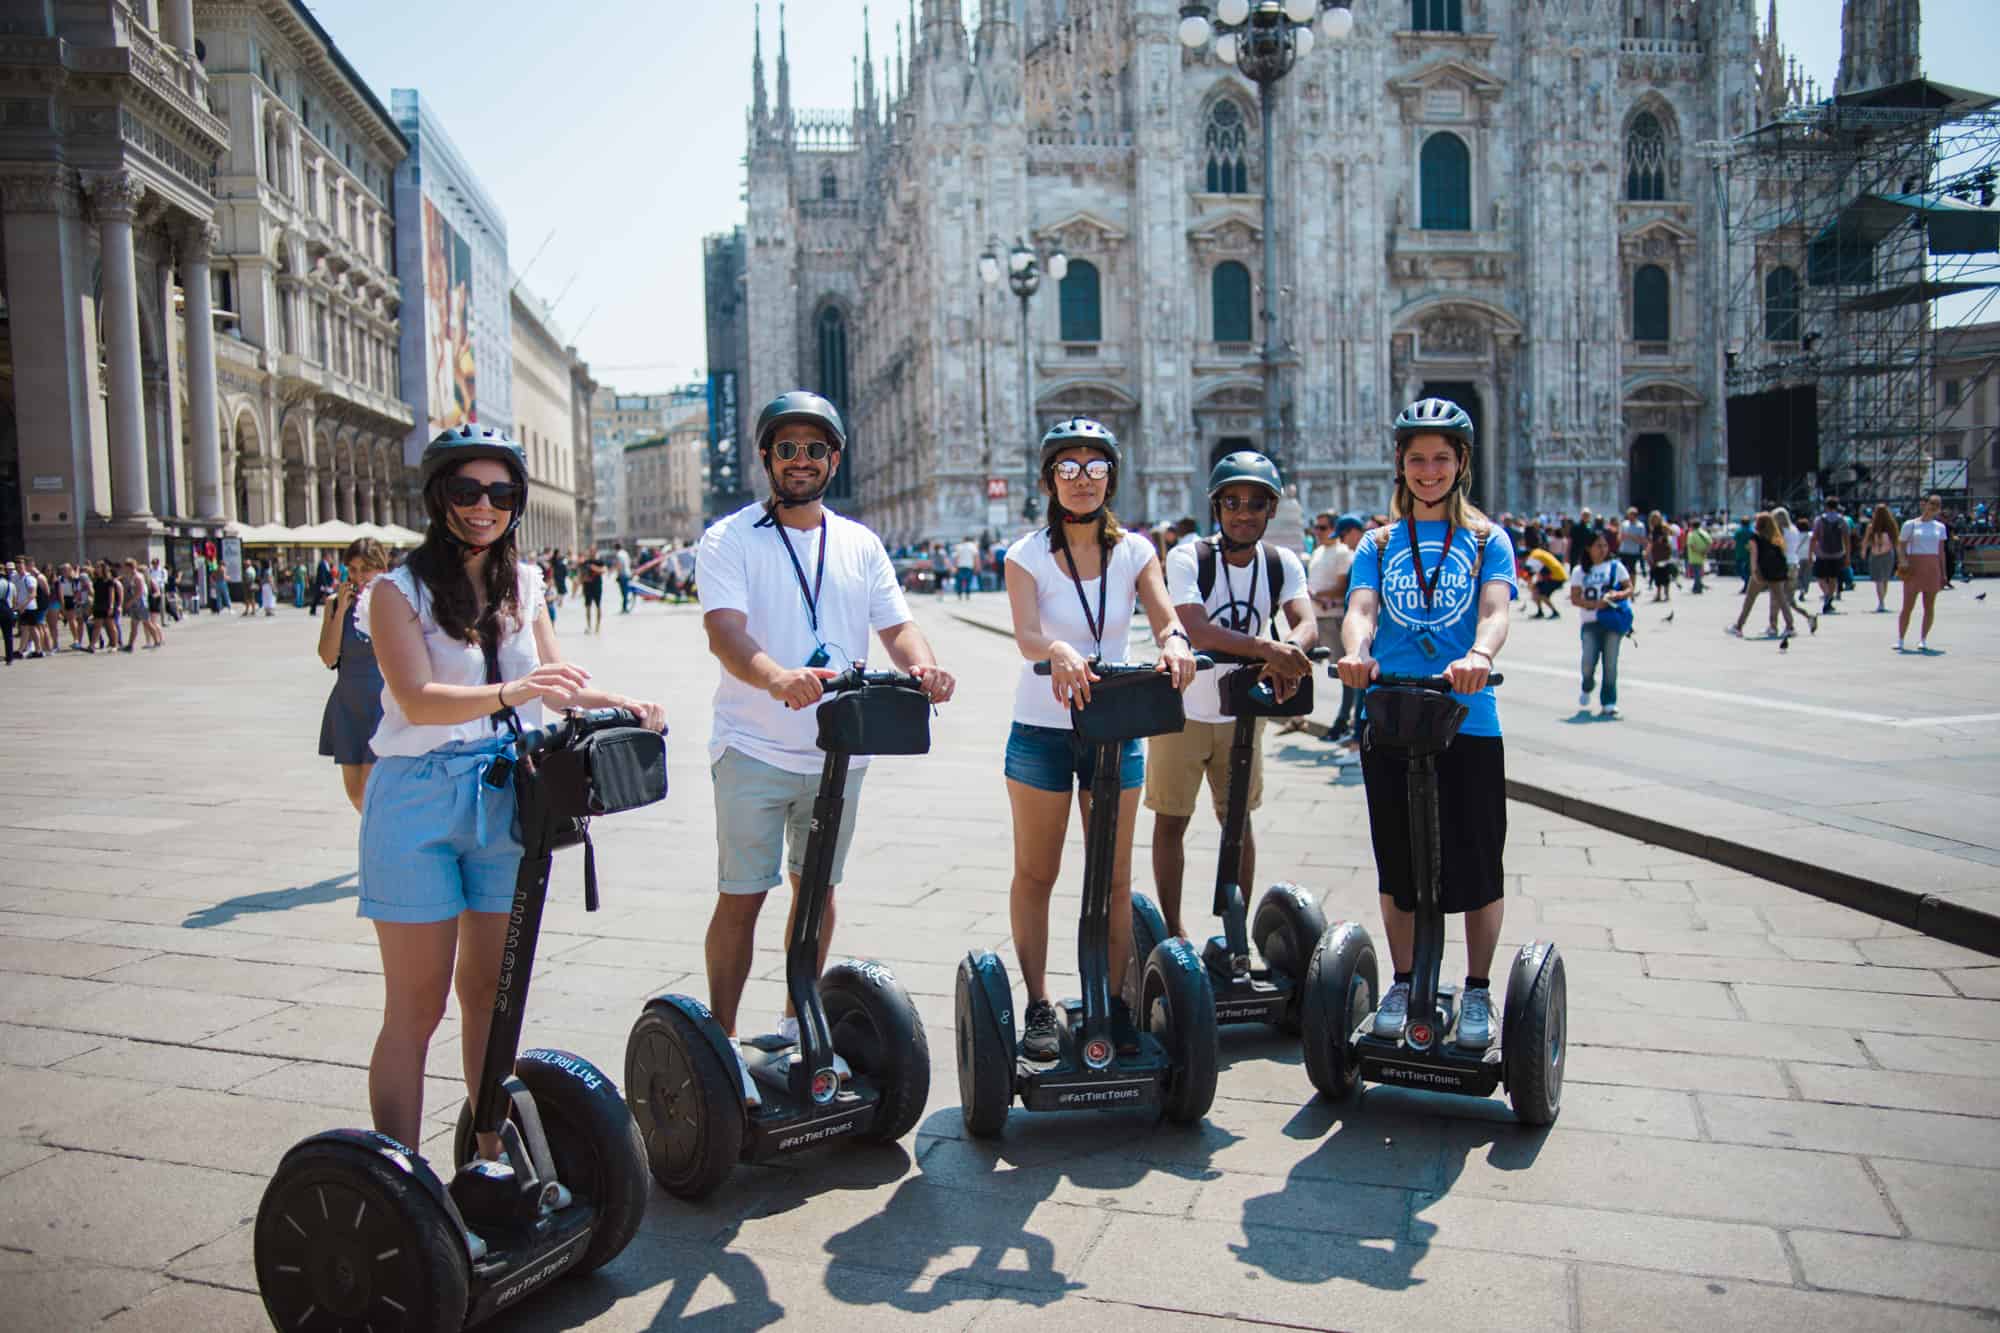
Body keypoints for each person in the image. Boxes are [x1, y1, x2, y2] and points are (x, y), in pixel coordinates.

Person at [357, 425, 664, 1214]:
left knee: (491, 992)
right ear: (439, 499)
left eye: (500, 493)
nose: (485, 506)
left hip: (506, 794)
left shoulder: (524, 584)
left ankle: (487, 1155)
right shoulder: (395, 593)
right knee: (416, 1006)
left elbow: (553, 683)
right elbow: (419, 697)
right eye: (468, 491)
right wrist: (511, 696)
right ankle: (400, 1180)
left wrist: (622, 702)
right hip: (418, 796)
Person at [698, 390, 955, 1105]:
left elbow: (898, 625)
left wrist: (922, 666)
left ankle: (794, 1018)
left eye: (815, 449)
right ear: (767, 458)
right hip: (754, 744)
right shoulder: (729, 539)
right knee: (743, 894)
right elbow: (725, 631)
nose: (802, 460)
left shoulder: (859, 542)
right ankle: (720, 1038)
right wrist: (774, 675)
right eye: (788, 449)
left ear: (834, 459)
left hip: (840, 747)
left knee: (818, 889)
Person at [1005, 417, 1197, 1059]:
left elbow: (1164, 613)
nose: (1080, 480)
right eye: (1067, 468)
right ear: (1049, 479)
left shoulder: (1136, 551)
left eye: (1093, 468)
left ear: (1111, 477)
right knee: (1038, 872)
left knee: (1114, 879)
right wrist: (1056, 648)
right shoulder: (1026, 555)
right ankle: (1036, 1003)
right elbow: (1027, 633)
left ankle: (1113, 1003)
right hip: (1042, 730)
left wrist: (1174, 642)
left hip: (1115, 729)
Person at [1335, 397, 1515, 1050]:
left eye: (1441, 457)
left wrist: (1480, 654)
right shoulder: (1379, 543)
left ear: (1461, 462)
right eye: (1417, 458)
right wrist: (1357, 649)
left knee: (1476, 865)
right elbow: (1360, 607)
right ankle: (1406, 979)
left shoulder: (1488, 539)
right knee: (1400, 868)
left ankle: (1475, 990)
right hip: (1394, 712)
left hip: (1467, 717)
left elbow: (1495, 609)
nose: (1429, 470)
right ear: (1402, 465)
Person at [1148, 451, 1314, 940]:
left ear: (1271, 510)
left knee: (1238, 822)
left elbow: (1304, 622)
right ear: (1217, 508)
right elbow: (1195, 629)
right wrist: (1268, 648)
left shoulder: (1282, 563)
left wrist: (1291, 653)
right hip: (1181, 709)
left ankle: (1234, 930)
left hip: (1243, 711)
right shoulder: (1187, 557)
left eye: (1256, 504)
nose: (1244, 513)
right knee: (1172, 819)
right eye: (1233, 502)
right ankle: (1174, 932)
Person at [317, 537, 391, 813]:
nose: (359, 577)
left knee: (371, 789)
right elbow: (327, 656)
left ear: (381, 569)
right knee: (356, 795)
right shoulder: (335, 605)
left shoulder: (392, 603)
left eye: (366, 569)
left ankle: (383, 849)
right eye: (353, 570)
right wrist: (340, 614)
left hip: (382, 704)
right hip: (348, 703)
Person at [1309, 512, 1366, 742]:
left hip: (1335, 617)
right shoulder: (1319, 551)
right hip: (1319, 617)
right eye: (1317, 527)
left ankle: (1346, 722)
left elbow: (1344, 587)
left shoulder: (1344, 554)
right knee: (1338, 670)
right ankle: (1347, 721)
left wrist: (1317, 595)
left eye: (1322, 528)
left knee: (1346, 671)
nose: (1317, 532)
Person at [1571, 528, 1632, 718]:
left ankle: (1609, 701)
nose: (1603, 549)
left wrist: (1618, 594)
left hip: (1612, 622)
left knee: (1610, 663)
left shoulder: (1615, 567)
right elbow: (1575, 598)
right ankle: (1587, 684)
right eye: (1598, 545)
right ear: (1589, 548)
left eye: (1605, 545)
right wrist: (1595, 604)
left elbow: (1629, 588)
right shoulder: (1579, 571)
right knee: (1588, 662)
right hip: (1590, 622)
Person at [1730, 511, 1806, 638]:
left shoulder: (1755, 537)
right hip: (1777, 572)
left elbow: (1754, 557)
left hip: (1762, 572)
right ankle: (1790, 626)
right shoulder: (1777, 537)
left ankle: (1738, 626)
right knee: (1782, 600)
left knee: (1750, 600)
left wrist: (1754, 573)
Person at [1897, 494, 1948, 653]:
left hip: (1932, 566)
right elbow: (1901, 546)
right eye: (1931, 503)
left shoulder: (1940, 527)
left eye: (1937, 504)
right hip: (1914, 565)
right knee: (1907, 606)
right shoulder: (1910, 524)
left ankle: (1923, 639)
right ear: (1923, 504)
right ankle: (1900, 639)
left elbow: (1941, 551)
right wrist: (1903, 561)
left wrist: (1944, 573)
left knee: (1929, 606)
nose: (1933, 507)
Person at [1811, 498, 1851, 615]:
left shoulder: (1820, 520)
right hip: (1837, 554)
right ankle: (1829, 598)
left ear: (1826, 506)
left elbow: (1814, 537)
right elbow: (1847, 539)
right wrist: (1847, 556)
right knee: (1834, 578)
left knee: (1819, 576)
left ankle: (1827, 594)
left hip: (1822, 554)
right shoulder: (1842, 520)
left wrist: (1812, 552)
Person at [1863, 503, 1898, 612]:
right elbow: (1896, 542)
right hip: (1888, 554)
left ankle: (1881, 602)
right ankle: (1882, 601)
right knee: (1885, 579)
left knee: (1878, 580)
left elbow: (1866, 541)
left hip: (1875, 554)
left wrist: (1863, 551)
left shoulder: (1871, 526)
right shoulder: (1892, 526)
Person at [1522, 544, 1568, 619]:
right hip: (1557, 575)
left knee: (1542, 595)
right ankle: (1540, 612)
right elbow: (1540, 570)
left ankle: (1555, 612)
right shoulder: (1536, 552)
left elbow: (1530, 573)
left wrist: (1529, 583)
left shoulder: (1532, 558)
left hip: (1556, 577)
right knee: (1536, 591)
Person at [1646, 512, 1676, 602]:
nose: (1655, 520)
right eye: (1653, 518)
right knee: (1657, 574)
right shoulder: (1652, 529)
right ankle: (1658, 594)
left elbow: (1673, 533)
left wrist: (1665, 536)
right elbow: (1651, 542)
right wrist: (1647, 552)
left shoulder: (1664, 527)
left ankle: (1666, 594)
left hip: (1664, 553)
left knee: (1666, 574)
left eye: (1657, 518)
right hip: (1656, 553)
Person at [579, 549, 605, 633]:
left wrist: (593, 567)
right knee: (588, 607)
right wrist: (583, 580)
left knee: (598, 606)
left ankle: (598, 627)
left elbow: (603, 570)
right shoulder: (585, 562)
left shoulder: (599, 561)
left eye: (593, 552)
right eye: (591, 552)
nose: (592, 553)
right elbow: (581, 575)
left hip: (597, 586)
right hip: (587, 586)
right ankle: (589, 626)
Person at [1685, 518, 1712, 595]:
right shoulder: (1704, 533)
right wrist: (1705, 551)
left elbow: (1691, 545)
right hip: (1702, 556)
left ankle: (1697, 587)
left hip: (1693, 556)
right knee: (1699, 572)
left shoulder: (1691, 534)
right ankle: (1696, 586)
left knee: (1696, 572)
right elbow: (1710, 543)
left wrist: (1698, 552)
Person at [1617, 506, 1646, 579]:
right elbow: (1619, 537)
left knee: (1632, 571)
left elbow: (1642, 540)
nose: (1630, 516)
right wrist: (1621, 537)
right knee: (1622, 570)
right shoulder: (1624, 524)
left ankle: (1632, 586)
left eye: (1632, 514)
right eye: (1629, 514)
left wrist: (1631, 536)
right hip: (1623, 550)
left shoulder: (1640, 525)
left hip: (1633, 552)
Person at [953, 533, 980, 599]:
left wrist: (955, 567)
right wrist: (977, 566)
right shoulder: (973, 546)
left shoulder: (959, 546)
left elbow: (956, 558)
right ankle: (967, 594)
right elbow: (976, 557)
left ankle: (959, 594)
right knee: (968, 581)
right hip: (969, 566)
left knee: (960, 581)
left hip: (960, 566)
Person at [613, 542, 633, 614]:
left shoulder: (619, 554)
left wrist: (618, 575)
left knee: (624, 592)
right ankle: (625, 606)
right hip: (628, 573)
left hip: (623, 575)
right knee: (625, 591)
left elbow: (619, 565)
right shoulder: (625, 553)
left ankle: (625, 607)